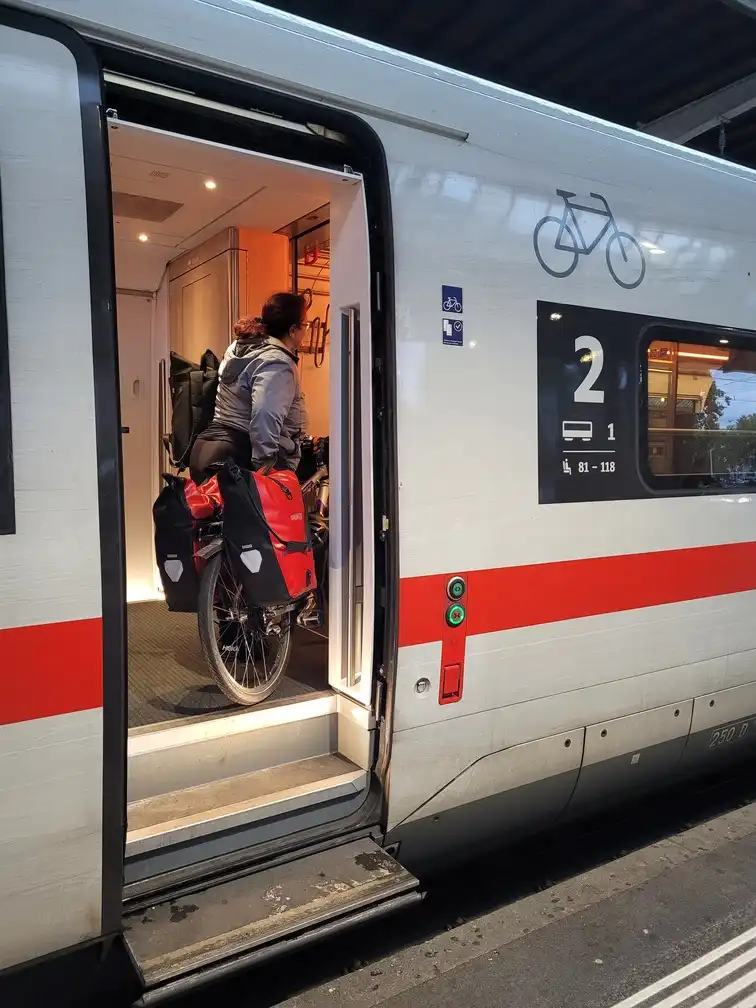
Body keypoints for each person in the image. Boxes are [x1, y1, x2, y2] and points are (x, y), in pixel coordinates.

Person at [190, 292, 309, 483]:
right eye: (306, 325)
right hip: (236, 458)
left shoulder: (241, 347)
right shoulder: (277, 362)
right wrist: (267, 470)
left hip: (209, 450)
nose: (306, 330)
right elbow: (264, 415)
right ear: (293, 330)